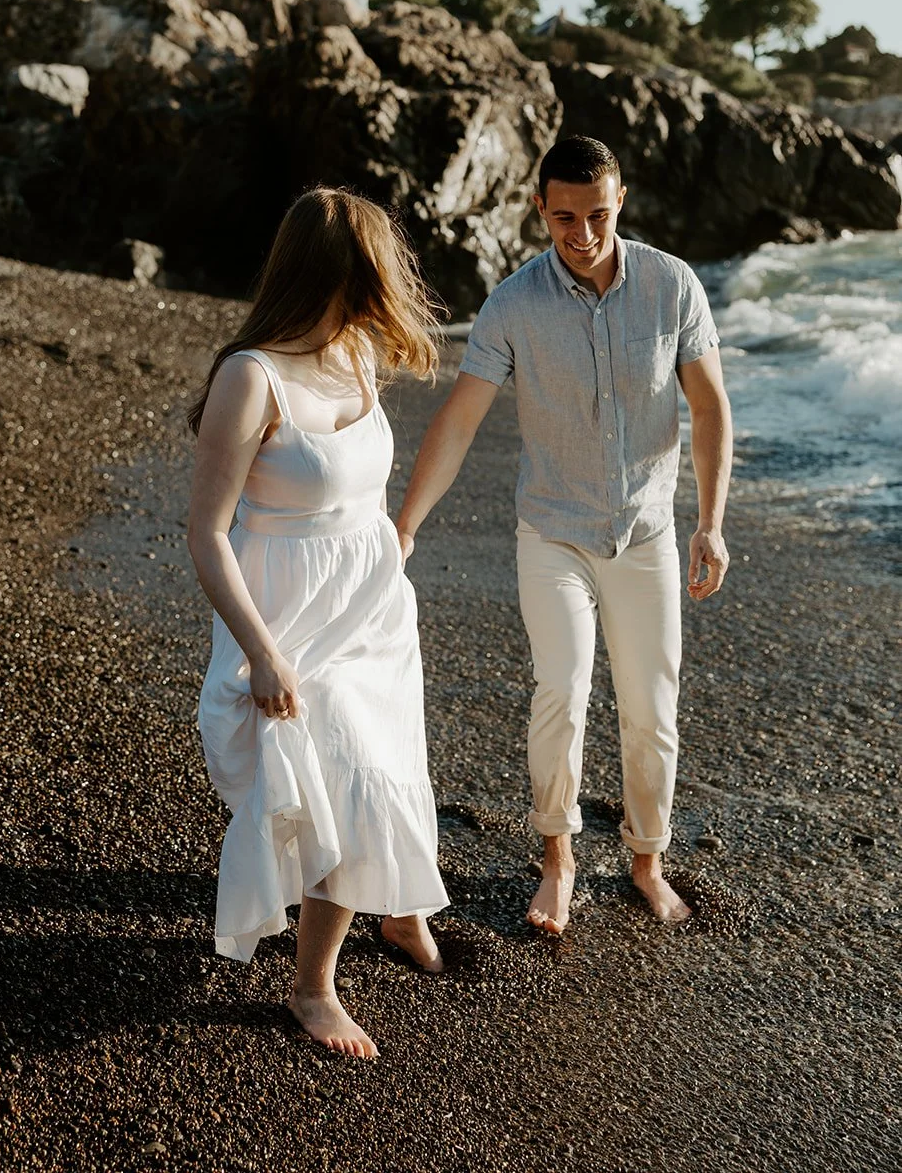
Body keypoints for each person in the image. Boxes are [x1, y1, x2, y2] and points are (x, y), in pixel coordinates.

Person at [396, 136, 732, 932]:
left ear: (620, 203)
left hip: (645, 533)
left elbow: (709, 406)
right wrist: (403, 527)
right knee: (562, 693)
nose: (582, 234)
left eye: (597, 215)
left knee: (651, 709)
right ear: (539, 209)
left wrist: (710, 525)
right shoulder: (513, 303)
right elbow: (459, 419)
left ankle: (646, 861)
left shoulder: (671, 285)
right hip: (552, 534)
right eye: (563, 218)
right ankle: (558, 859)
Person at [187, 187, 449, 1060]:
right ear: (331, 275)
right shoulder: (250, 377)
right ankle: (313, 990)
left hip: (371, 609)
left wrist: (393, 541)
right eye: (371, 277)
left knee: (385, 767)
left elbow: (360, 486)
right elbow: (206, 533)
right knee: (339, 783)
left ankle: (399, 907)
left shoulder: (357, 353)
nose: (386, 296)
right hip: (287, 620)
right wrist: (261, 653)